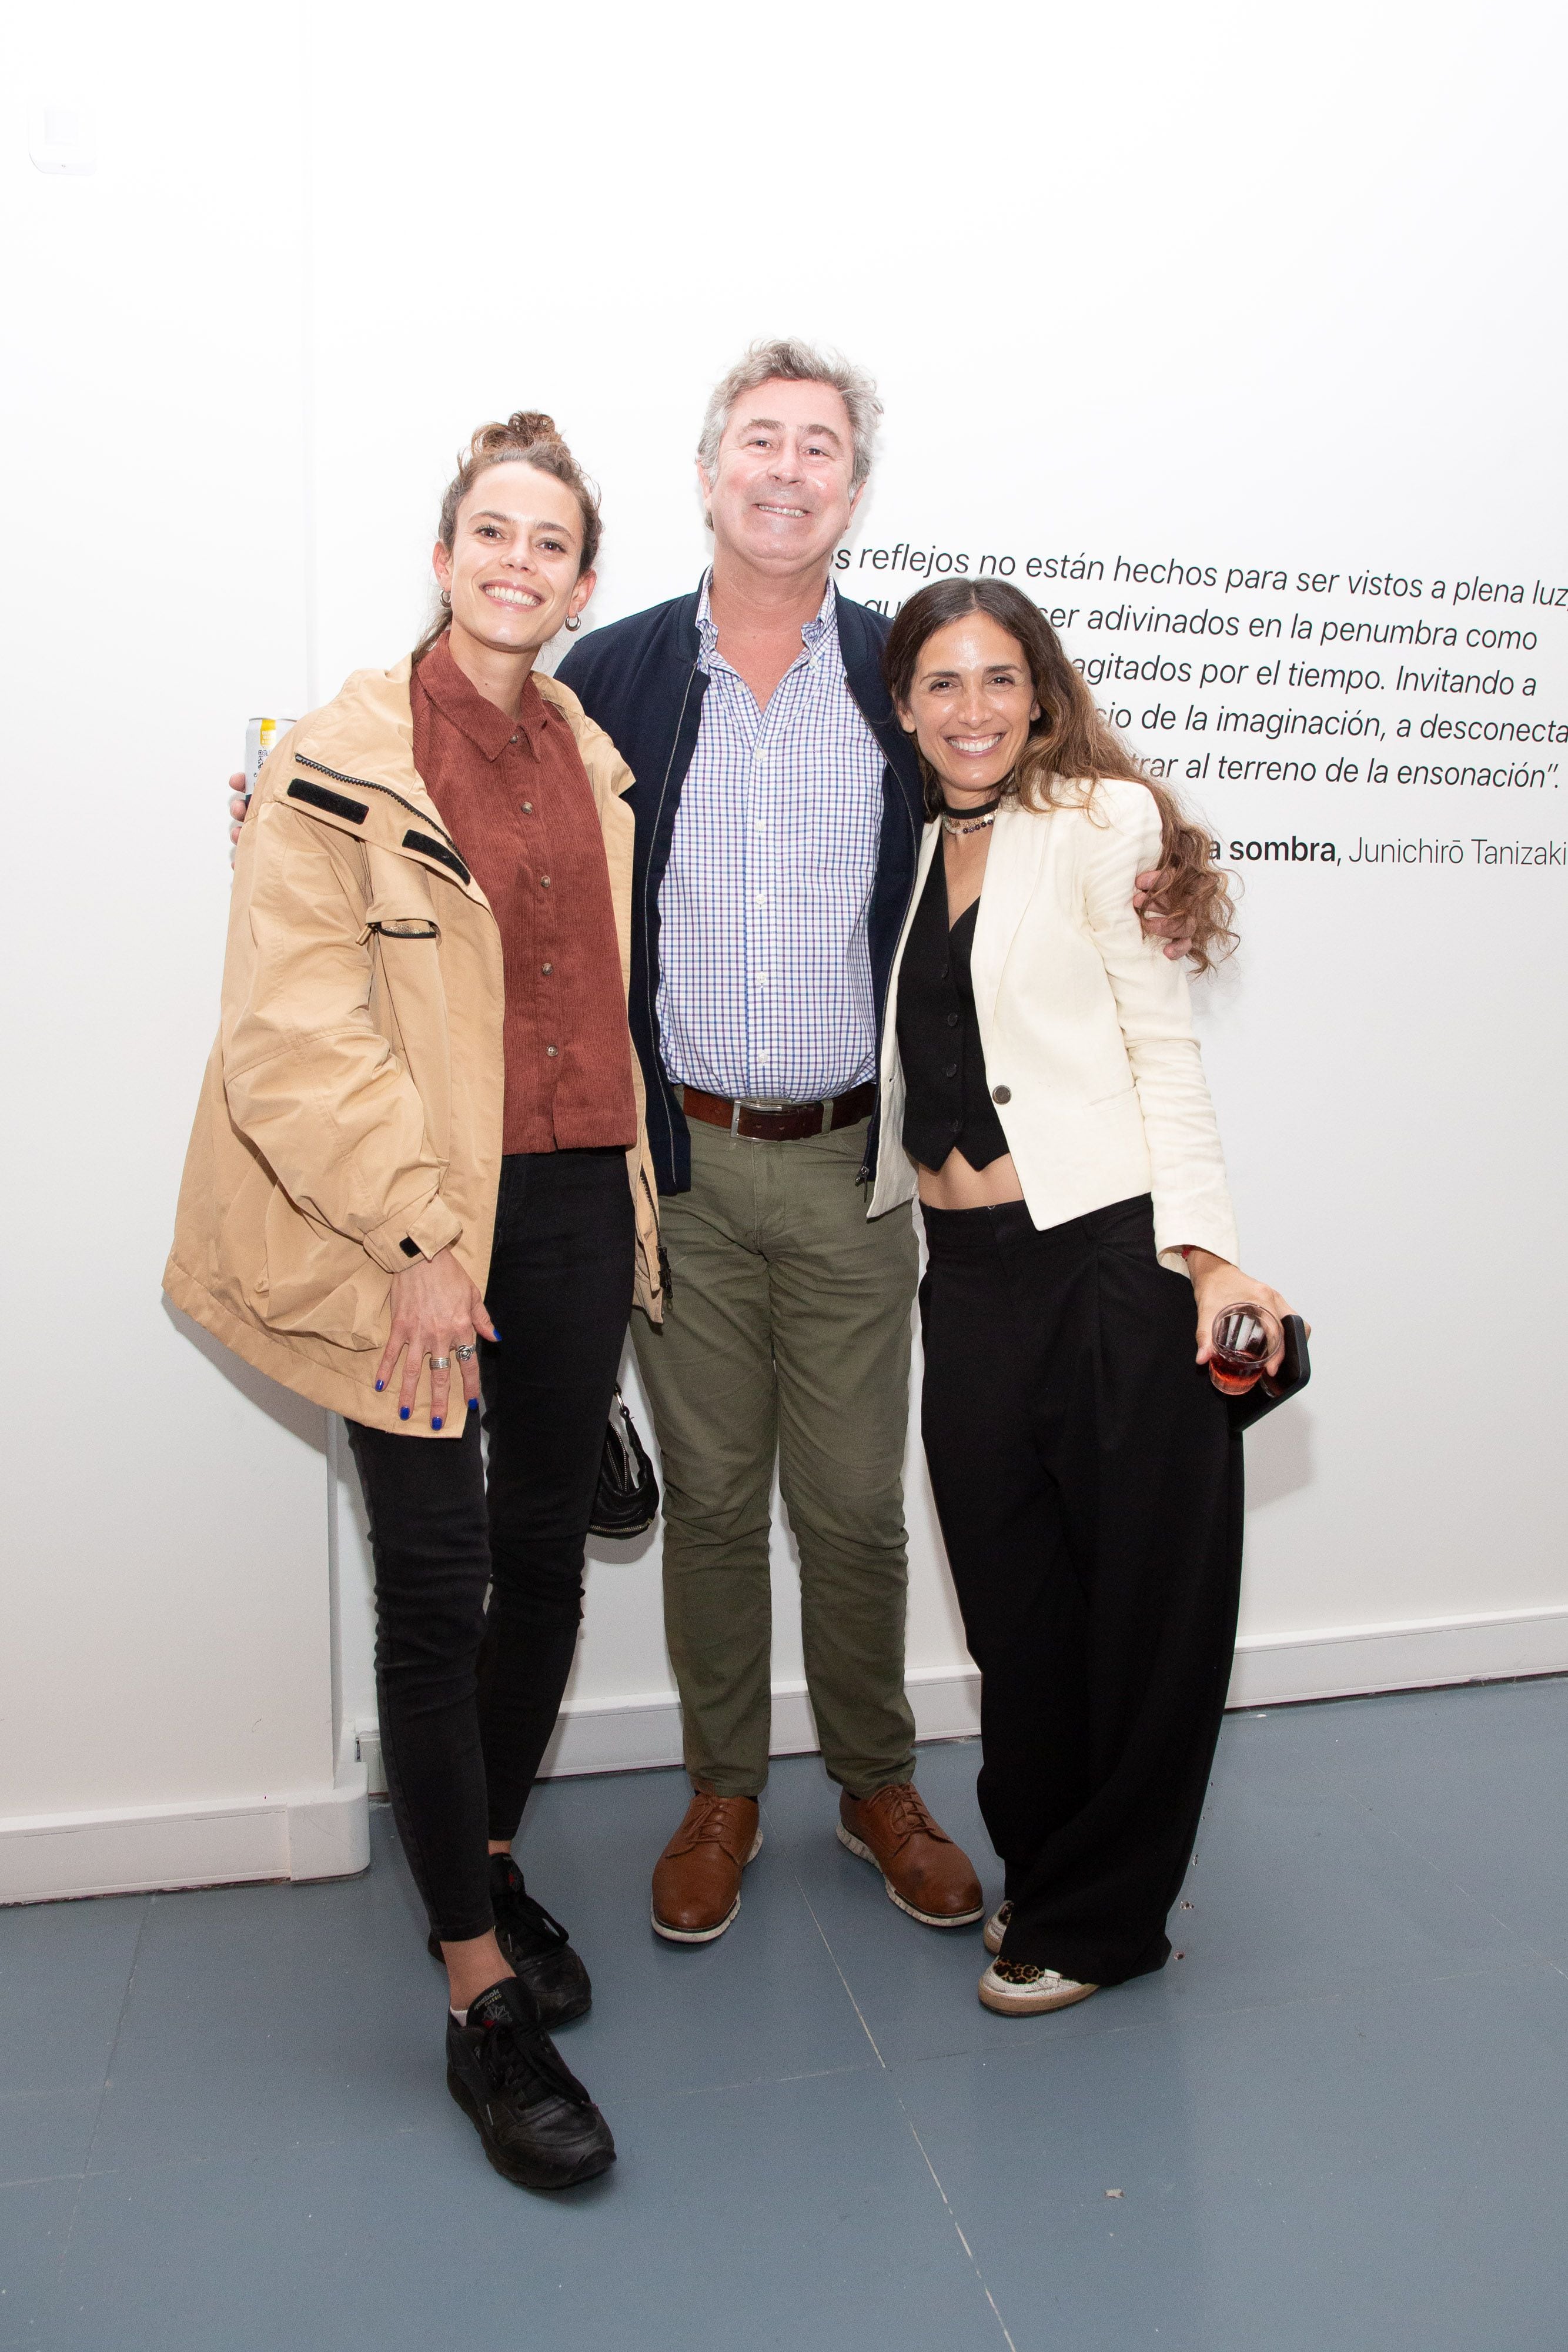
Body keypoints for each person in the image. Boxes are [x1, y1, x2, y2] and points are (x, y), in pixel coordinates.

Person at [554, 340, 1198, 1945]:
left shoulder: (887, 673)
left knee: (849, 1506)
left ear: (853, 487)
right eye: (756, 442)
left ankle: (873, 1782)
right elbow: (497, 830)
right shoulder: (615, 676)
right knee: (710, 1503)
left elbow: (1031, 785)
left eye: (819, 449)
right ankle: (721, 1791)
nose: (785, 470)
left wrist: (1170, 843)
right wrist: (288, 794)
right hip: (680, 1171)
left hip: (859, 1171)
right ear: (707, 475)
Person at [170, 413, 663, 2187]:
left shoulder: (593, 754)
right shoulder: (331, 763)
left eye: (549, 544)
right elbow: (292, 1041)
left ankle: (493, 1859)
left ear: (582, 581)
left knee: (542, 1557)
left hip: (574, 1207)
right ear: (444, 553)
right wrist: (413, 1243)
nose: (516, 564)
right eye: (489, 532)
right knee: (439, 1588)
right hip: (415, 1235)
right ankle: (472, 1989)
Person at [870, 577, 1300, 2016]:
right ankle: (1050, 1868)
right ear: (902, 704)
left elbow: (1161, 1053)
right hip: (964, 1276)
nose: (972, 707)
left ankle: (1107, 1919)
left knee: (1146, 1612)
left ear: (1040, 696)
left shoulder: (1100, 824)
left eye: (999, 679)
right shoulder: (901, 845)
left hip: (1107, 1256)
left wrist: (1207, 1252)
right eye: (941, 681)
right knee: (1015, 1609)